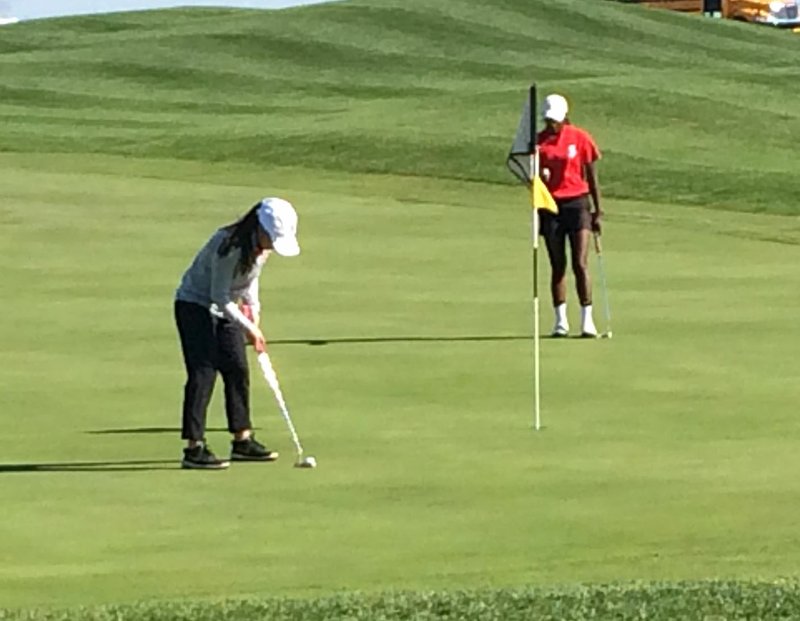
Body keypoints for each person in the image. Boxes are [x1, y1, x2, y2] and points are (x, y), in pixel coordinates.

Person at [174, 197, 300, 469]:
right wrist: (249, 327)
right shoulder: (228, 246)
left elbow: (249, 283)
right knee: (204, 372)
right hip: (194, 305)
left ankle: (242, 440)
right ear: (260, 227)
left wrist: (254, 312)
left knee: (237, 369)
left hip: (227, 307)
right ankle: (194, 448)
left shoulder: (261, 249)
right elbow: (219, 296)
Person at [536, 93, 603, 338]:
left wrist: (598, 210)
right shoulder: (538, 143)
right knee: (558, 265)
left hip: (578, 204)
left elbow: (592, 176)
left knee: (580, 263)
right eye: (548, 120)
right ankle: (560, 322)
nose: (551, 124)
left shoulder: (580, 138)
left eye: (554, 120)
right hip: (550, 207)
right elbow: (532, 180)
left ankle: (587, 321)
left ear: (564, 117)